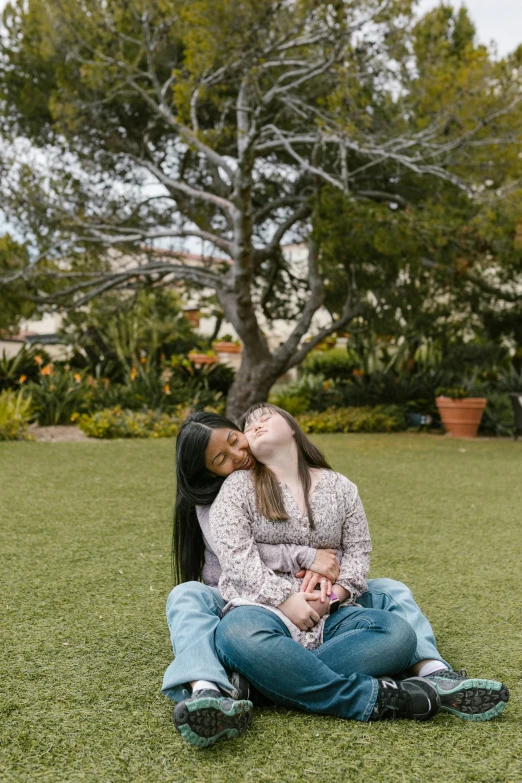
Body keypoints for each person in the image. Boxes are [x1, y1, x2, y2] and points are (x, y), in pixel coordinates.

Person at [163, 409, 509, 747]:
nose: (239, 453)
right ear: (208, 472)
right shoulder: (228, 492)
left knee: (393, 610)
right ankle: (209, 687)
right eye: (221, 458)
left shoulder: (338, 487)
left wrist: (330, 596)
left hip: (325, 604)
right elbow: (238, 555)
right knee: (205, 610)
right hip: (251, 598)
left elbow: (355, 550)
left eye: (236, 440)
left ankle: (260, 682)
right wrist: (305, 566)